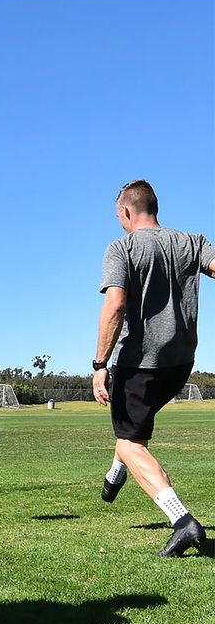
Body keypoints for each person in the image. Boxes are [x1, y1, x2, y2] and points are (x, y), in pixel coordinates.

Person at [93, 179, 214, 557]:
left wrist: (99, 364)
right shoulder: (192, 242)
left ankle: (183, 522)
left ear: (127, 212)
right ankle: (115, 476)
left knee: (130, 442)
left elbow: (114, 305)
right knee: (132, 426)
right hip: (181, 361)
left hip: (140, 362)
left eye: (118, 216)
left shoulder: (122, 248)